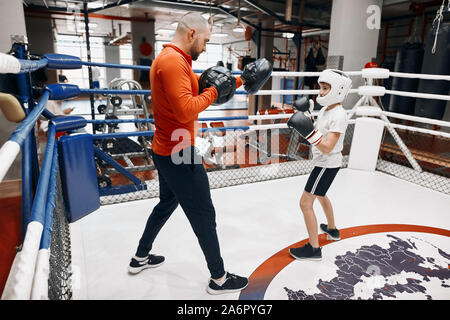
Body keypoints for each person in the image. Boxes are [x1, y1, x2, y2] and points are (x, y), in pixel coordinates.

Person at [128, 11, 271, 295]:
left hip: (166, 148)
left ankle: (140, 257)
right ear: (191, 34)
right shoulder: (171, 63)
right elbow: (186, 109)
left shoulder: (175, 59)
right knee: (204, 214)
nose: (206, 46)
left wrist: (241, 80)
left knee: (166, 204)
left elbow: (198, 87)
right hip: (179, 152)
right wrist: (216, 93)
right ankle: (219, 278)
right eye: (205, 39)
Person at [287, 69, 352, 260]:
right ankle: (332, 230)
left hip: (326, 163)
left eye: (325, 88)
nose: (321, 92)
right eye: (321, 88)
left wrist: (307, 132)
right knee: (321, 195)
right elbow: (319, 130)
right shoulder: (326, 109)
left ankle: (313, 248)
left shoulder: (339, 115)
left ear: (338, 90)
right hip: (325, 163)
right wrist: (307, 119)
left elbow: (327, 147)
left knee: (305, 203)